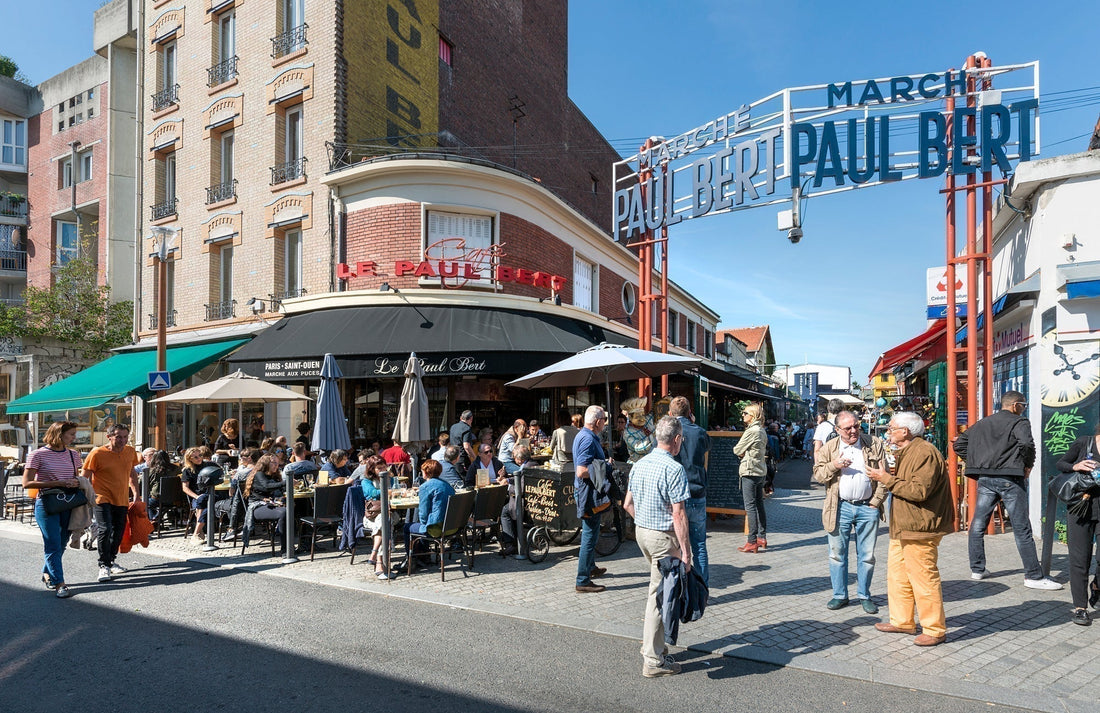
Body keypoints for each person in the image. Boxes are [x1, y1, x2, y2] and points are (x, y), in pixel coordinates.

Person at [953, 390, 1061, 590]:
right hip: (1010, 478)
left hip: (985, 479)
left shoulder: (983, 423)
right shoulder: (1020, 422)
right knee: (1021, 528)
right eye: (1023, 405)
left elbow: (959, 444)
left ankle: (977, 569)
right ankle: (1033, 576)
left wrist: (976, 462)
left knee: (977, 525)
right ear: (1015, 405)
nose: (1024, 409)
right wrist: (1027, 466)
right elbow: (1027, 444)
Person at [866, 411, 954, 646]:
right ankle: (902, 621)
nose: (888, 432)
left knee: (923, 578)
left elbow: (918, 491)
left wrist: (885, 478)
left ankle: (934, 629)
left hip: (921, 528)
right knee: (898, 576)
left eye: (891, 428)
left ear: (905, 431)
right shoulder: (907, 451)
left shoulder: (924, 452)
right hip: (905, 526)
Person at [623, 415, 693, 677]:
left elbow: (627, 504)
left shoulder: (640, 464)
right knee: (658, 596)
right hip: (663, 537)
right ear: (676, 440)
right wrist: (686, 551)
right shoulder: (674, 469)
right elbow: (679, 515)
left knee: (658, 590)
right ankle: (652, 659)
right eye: (681, 440)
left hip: (642, 532)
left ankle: (656, 649)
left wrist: (644, 522)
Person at [812, 410, 888, 613]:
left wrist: (875, 502)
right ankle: (840, 595)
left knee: (867, 555)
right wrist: (834, 465)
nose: (854, 430)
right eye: (848, 428)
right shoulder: (830, 448)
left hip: (867, 507)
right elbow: (818, 475)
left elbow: (884, 475)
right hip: (840, 507)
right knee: (837, 555)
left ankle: (864, 595)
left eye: (856, 425)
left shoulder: (873, 443)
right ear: (837, 430)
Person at [23, 421, 83, 598]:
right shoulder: (38, 454)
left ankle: (47, 572)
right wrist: (57, 483)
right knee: (53, 544)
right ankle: (60, 584)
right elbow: (26, 482)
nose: (74, 437)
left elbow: (76, 477)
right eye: (71, 434)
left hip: (68, 502)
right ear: (59, 434)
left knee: (62, 541)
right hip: (47, 503)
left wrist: (76, 482)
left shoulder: (73, 454)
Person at [81, 423, 141, 583]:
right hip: (101, 497)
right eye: (118, 437)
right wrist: (85, 498)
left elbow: (132, 473)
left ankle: (111, 560)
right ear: (109, 437)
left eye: (125, 437)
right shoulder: (97, 453)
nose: (122, 440)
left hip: (121, 497)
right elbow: (84, 476)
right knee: (105, 529)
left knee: (118, 532)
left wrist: (136, 494)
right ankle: (103, 565)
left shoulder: (130, 451)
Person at [1055, 423, 1100, 625]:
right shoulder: (1084, 443)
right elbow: (1061, 464)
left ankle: (1097, 586)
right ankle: (1080, 608)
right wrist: (1076, 466)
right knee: (1080, 559)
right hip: (1081, 507)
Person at [669, 396, 711, 585]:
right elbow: (708, 446)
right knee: (699, 544)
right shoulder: (699, 432)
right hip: (696, 491)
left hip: (674, 495)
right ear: (689, 413)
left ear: (670, 414)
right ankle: (702, 588)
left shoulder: (667, 432)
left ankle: (679, 587)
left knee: (675, 545)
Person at [574, 405, 610, 593]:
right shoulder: (588, 439)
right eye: (604, 419)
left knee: (593, 532)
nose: (605, 422)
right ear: (597, 422)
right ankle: (582, 579)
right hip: (587, 494)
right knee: (589, 535)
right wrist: (603, 468)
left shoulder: (583, 435)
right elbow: (582, 471)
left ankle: (591, 567)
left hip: (586, 492)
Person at [403, 459, 455, 561]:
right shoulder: (447, 485)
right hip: (452, 527)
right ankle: (423, 556)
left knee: (407, 527)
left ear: (426, 472)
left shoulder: (425, 487)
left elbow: (423, 513)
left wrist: (423, 524)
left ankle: (410, 560)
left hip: (436, 529)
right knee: (425, 523)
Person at [733, 403, 768, 553]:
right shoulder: (761, 430)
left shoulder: (751, 431)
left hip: (749, 471)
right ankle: (762, 537)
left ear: (752, 415)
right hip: (760, 470)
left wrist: (743, 452)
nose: (743, 415)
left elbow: (737, 449)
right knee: (759, 504)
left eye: (745, 413)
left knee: (750, 506)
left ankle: (752, 541)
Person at [245, 454, 292, 555]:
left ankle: (305, 544)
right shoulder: (259, 474)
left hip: (270, 504)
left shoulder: (274, 475)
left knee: (297, 508)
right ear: (266, 463)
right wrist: (287, 482)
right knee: (284, 512)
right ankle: (286, 549)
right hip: (257, 507)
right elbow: (267, 486)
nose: (276, 465)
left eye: (277, 463)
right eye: (274, 463)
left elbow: (280, 489)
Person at [360, 455, 395, 580]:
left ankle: (374, 554)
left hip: (389, 513)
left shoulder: (389, 478)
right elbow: (372, 493)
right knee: (383, 522)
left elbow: (395, 489)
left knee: (384, 520)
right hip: (371, 517)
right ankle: (380, 561)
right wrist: (388, 491)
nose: (382, 470)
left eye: (384, 467)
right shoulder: (366, 481)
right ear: (372, 469)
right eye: (379, 468)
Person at [498, 443, 535, 556]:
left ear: (519, 458)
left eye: (514, 456)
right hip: (526, 499)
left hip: (525, 502)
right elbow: (519, 479)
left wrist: (508, 486)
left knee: (504, 511)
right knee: (507, 507)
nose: (513, 459)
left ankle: (511, 544)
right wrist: (508, 480)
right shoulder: (530, 464)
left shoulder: (527, 467)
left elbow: (521, 488)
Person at [180, 447, 220, 545]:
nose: (199, 458)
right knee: (203, 501)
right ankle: (198, 532)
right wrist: (196, 496)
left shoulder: (209, 465)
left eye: (200, 455)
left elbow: (220, 472)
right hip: (197, 496)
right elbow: (185, 488)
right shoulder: (188, 470)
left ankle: (196, 533)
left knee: (204, 501)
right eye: (195, 457)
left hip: (213, 493)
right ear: (190, 459)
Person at [142, 449, 180, 521]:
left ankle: (153, 520)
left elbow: (141, 482)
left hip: (156, 499)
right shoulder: (176, 468)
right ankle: (156, 517)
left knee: (144, 503)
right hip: (173, 499)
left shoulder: (152, 470)